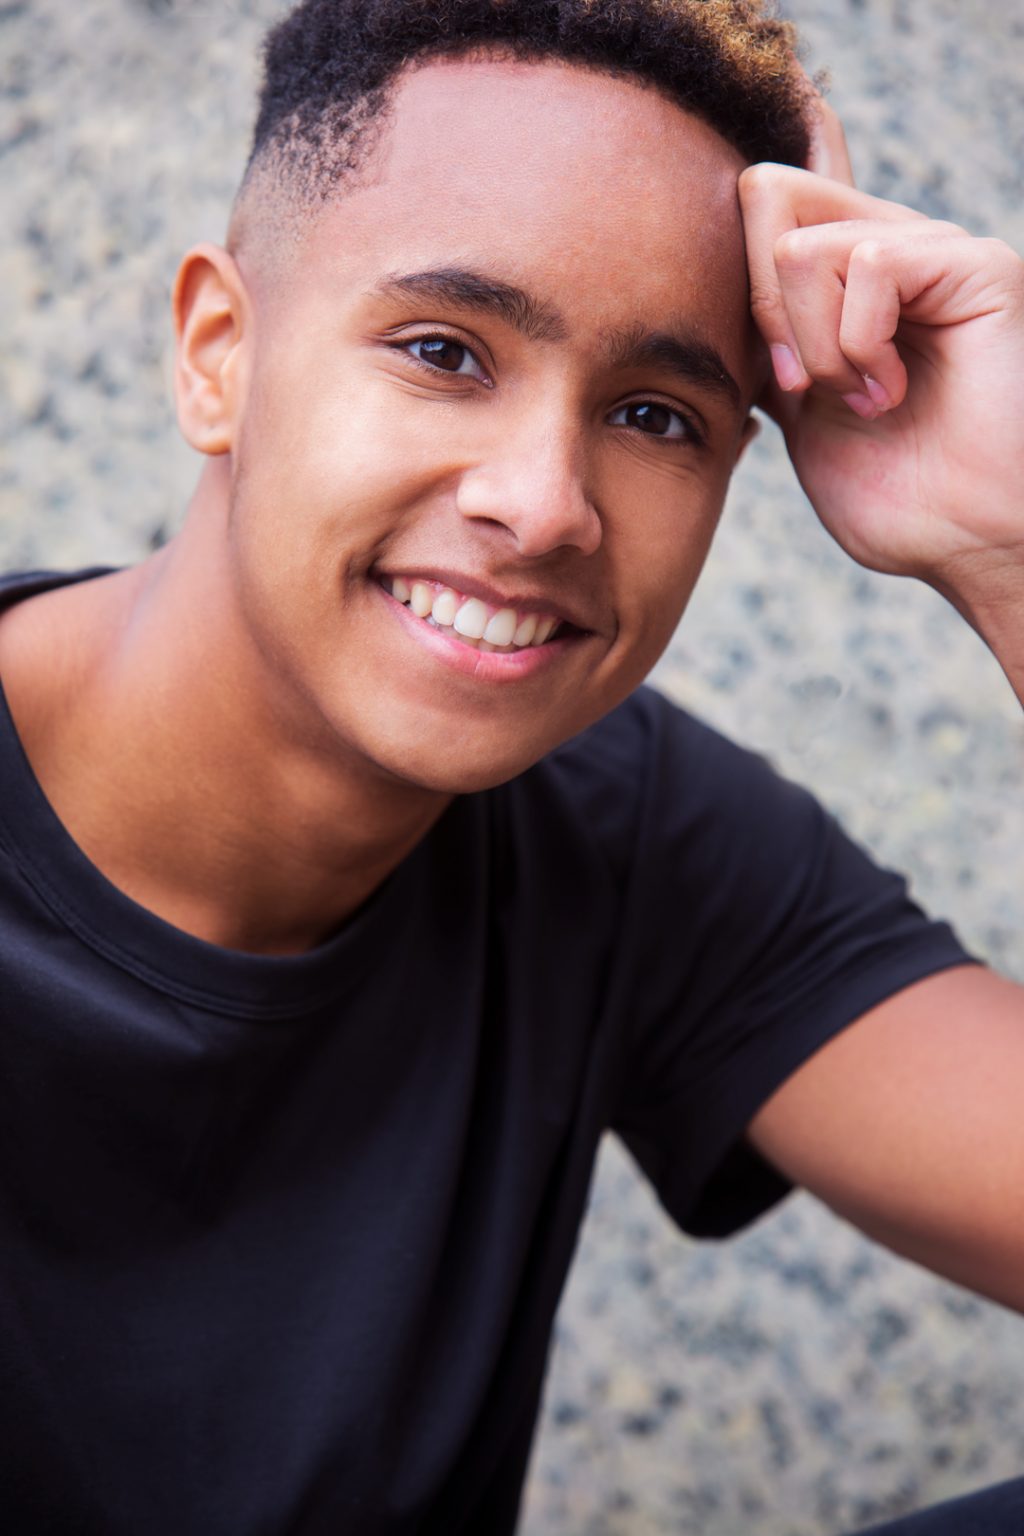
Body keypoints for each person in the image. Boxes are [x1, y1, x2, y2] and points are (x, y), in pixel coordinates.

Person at [0, 1, 1021, 1532]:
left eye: (653, 415)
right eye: (442, 351)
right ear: (220, 353)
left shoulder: (626, 829)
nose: (545, 506)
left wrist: (1010, 543)